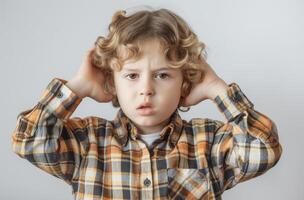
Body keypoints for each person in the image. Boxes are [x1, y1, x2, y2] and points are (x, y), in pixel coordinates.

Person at [11, 6, 282, 200]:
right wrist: (77, 88)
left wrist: (216, 88)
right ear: (111, 81)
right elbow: (28, 141)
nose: (146, 90)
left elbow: (263, 151)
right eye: (131, 75)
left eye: (162, 75)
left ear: (184, 82)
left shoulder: (209, 142)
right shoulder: (87, 142)